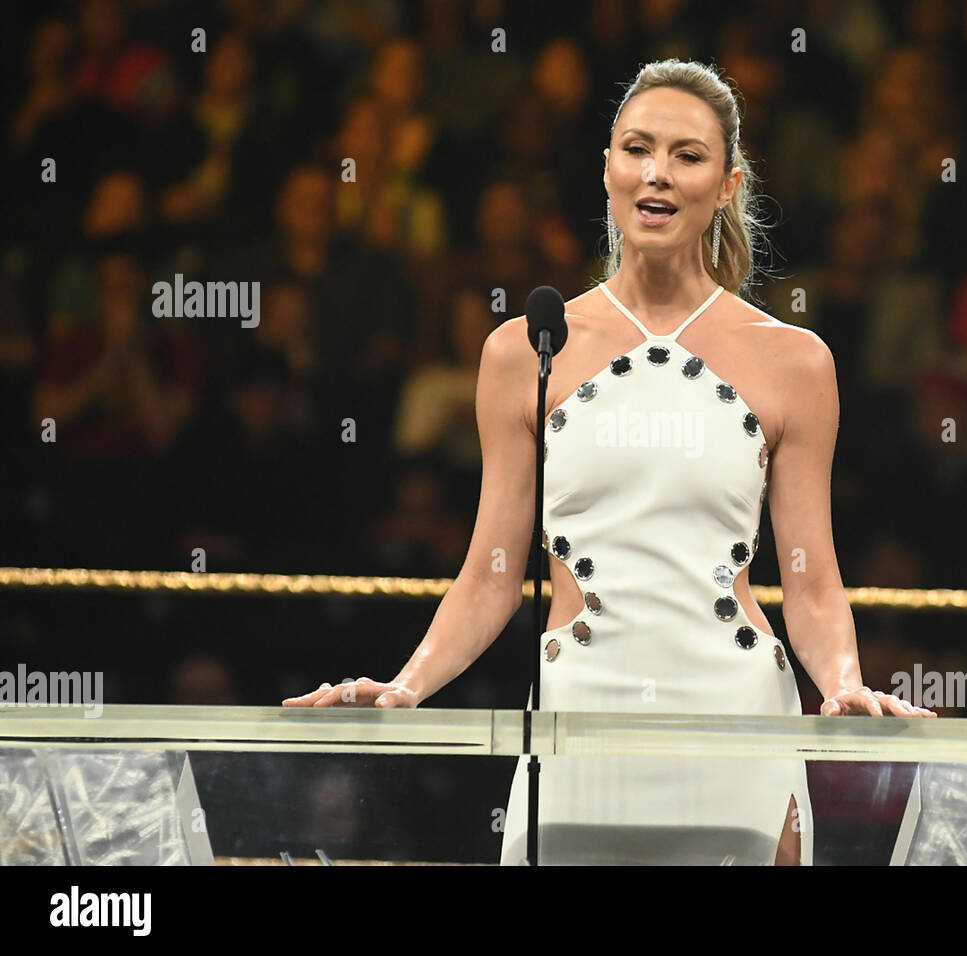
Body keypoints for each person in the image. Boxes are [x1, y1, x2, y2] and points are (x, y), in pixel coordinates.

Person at [284, 59, 934, 865]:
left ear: (727, 186)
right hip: (577, 718)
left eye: (688, 156)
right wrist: (406, 685)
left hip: (733, 717)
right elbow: (491, 570)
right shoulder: (524, 350)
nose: (657, 173)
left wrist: (842, 682)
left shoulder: (794, 362)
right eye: (637, 148)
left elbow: (809, 577)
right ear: (607, 170)